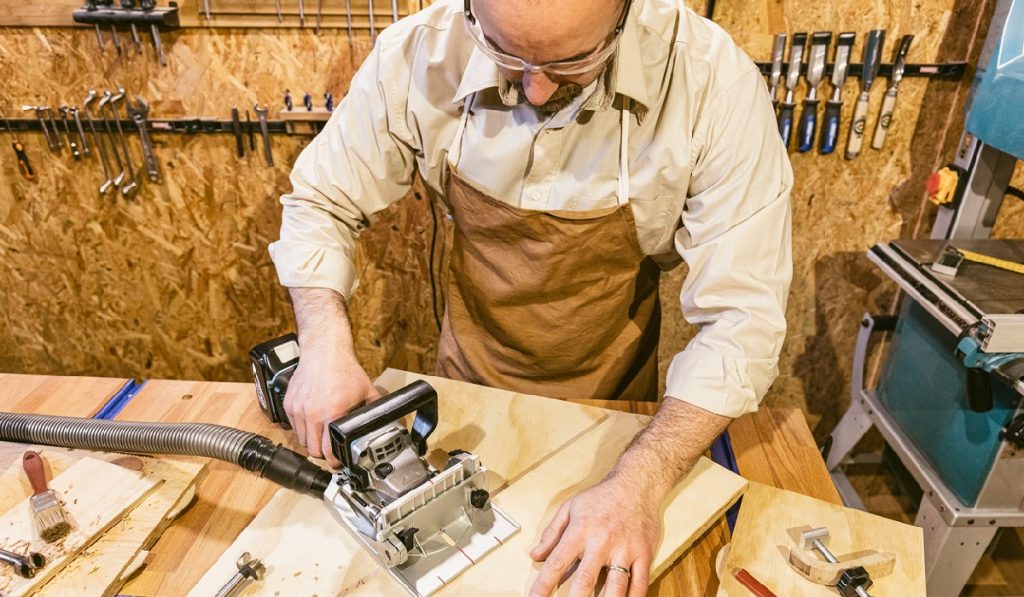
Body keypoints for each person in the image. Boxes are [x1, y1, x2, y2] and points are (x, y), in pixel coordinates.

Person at [268, 0, 792, 594]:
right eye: (504, 53)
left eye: (575, 60)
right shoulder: (418, 55)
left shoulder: (708, 80)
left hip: (617, 418)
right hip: (466, 397)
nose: (537, 91)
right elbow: (319, 203)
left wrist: (639, 483)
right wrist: (324, 344)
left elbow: (742, 321)